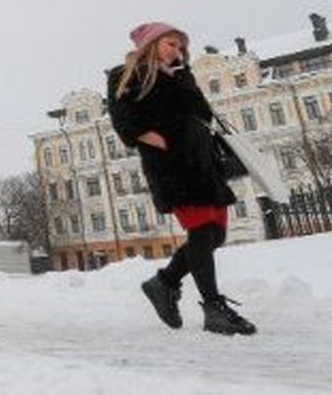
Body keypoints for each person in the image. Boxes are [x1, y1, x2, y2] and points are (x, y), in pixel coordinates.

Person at [107, 22, 257, 336]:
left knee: (214, 235)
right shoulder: (126, 74)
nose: (178, 51)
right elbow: (125, 123)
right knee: (202, 231)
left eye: (180, 46)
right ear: (152, 44)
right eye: (171, 44)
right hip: (172, 165)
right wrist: (164, 142)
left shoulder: (183, 75)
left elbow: (202, 115)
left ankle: (163, 283)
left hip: (205, 162)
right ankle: (214, 308)